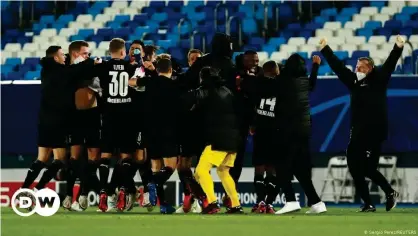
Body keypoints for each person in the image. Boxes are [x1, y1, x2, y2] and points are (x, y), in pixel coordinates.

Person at [319, 35, 404, 212]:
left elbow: (390, 62)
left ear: (370, 68)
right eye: (356, 67)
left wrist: (398, 47)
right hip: (357, 131)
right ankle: (371, 202)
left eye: (361, 67)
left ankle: (386, 194)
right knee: (357, 167)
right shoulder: (353, 81)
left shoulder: (379, 79)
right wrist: (325, 49)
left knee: (365, 167)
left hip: (374, 131)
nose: (357, 69)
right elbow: (338, 67)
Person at [184, 67, 243, 214]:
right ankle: (235, 204)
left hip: (218, 139)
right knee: (224, 171)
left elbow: (187, 99)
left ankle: (211, 202)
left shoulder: (206, 91)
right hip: (233, 138)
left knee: (200, 171)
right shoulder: (227, 91)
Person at [274, 53, 326, 215]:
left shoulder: (283, 82)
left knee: (282, 166)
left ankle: (290, 200)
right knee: (300, 169)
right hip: (304, 130)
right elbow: (312, 83)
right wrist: (316, 66)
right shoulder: (304, 81)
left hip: (289, 130)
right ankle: (317, 202)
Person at [129, 58, 180, 214]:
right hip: (168, 130)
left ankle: (163, 204)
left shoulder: (149, 82)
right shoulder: (175, 85)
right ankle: (152, 183)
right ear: (170, 70)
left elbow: (131, 82)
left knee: (156, 168)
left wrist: (148, 75)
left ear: (158, 70)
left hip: (150, 131)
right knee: (170, 167)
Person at [93, 38, 139, 212]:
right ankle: (122, 190)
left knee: (105, 156)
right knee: (126, 157)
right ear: (122, 52)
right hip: (127, 118)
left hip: (109, 117)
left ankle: (103, 193)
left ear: (110, 51)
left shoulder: (101, 67)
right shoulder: (132, 68)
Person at [20, 46, 69, 202]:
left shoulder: (46, 70)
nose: (65, 57)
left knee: (42, 157)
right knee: (60, 159)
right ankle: (37, 189)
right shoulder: (60, 72)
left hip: (44, 119)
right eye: (62, 55)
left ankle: (23, 190)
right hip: (57, 120)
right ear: (55, 58)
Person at [63, 40, 101, 211]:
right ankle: (69, 193)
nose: (88, 56)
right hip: (74, 117)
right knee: (74, 158)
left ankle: (83, 195)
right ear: (75, 54)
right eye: (85, 53)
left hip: (93, 116)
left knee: (94, 157)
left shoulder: (92, 69)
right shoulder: (66, 71)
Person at [176, 49, 207, 214]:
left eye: (198, 59)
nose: (195, 61)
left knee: (202, 169)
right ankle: (191, 197)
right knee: (183, 166)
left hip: (203, 128)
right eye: (192, 59)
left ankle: (198, 200)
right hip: (186, 128)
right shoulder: (184, 79)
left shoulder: (207, 80)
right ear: (188, 62)